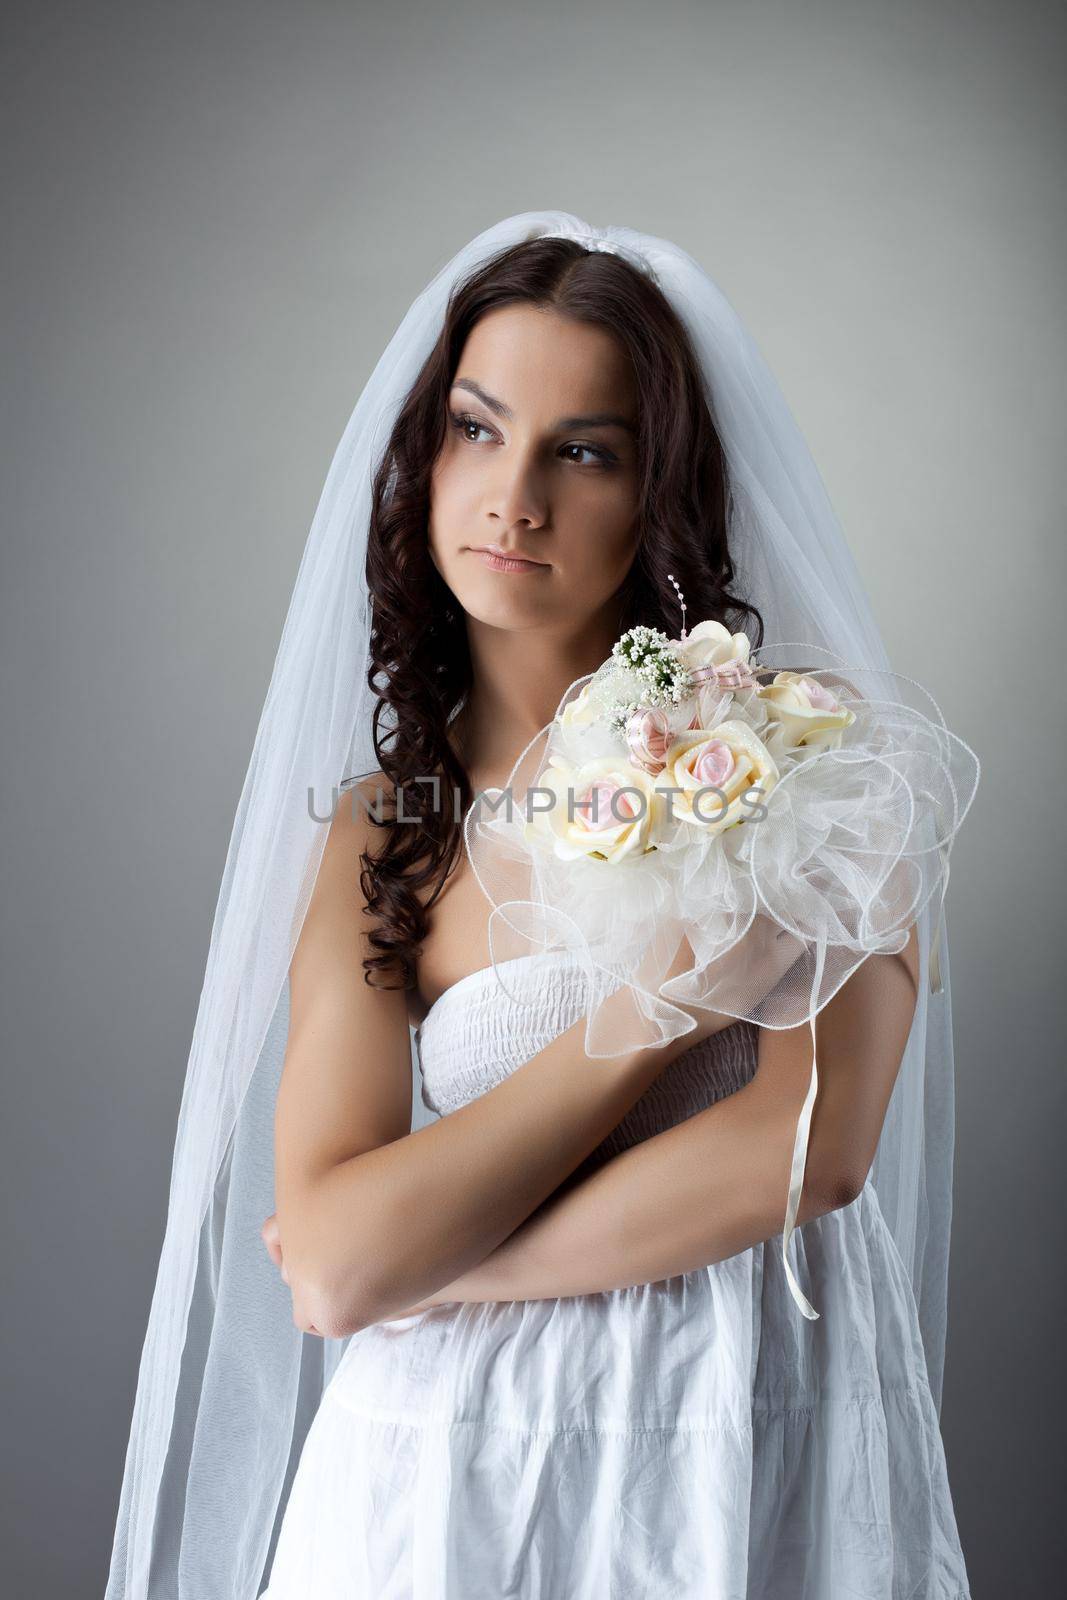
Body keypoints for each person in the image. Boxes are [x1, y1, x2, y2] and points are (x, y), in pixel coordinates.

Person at [106, 214, 972, 1598]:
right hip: (449, 1469)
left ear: (663, 490)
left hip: (741, 1422)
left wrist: (443, 1276)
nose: (514, 499)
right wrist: (654, 1009)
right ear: (422, 458)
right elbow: (328, 1260)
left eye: (585, 451)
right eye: (476, 429)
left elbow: (809, 1157)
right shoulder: (377, 836)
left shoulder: (810, 755)